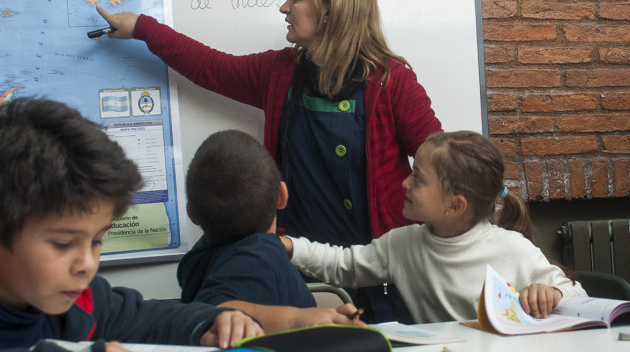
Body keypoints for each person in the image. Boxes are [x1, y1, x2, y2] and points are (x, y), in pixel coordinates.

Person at [96, 0, 442, 323]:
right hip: (296, 265)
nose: (284, 7)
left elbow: (441, 166)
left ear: (330, 10)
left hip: (376, 270)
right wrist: (142, 27)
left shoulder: (391, 82)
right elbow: (209, 67)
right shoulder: (279, 72)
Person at [0, 97, 262, 352]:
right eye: (63, 244)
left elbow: (139, 316)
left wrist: (208, 323)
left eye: (97, 240)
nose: (87, 264)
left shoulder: (70, 295)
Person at [281, 131, 588, 323]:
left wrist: (552, 293)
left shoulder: (512, 249)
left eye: (418, 178)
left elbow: (577, 296)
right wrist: (291, 248)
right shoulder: (401, 245)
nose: (405, 183)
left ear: (455, 206)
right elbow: (344, 265)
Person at [177, 130, 363, 332]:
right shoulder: (257, 254)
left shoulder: (196, 258)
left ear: (192, 215)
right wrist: (297, 319)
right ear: (282, 196)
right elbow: (213, 310)